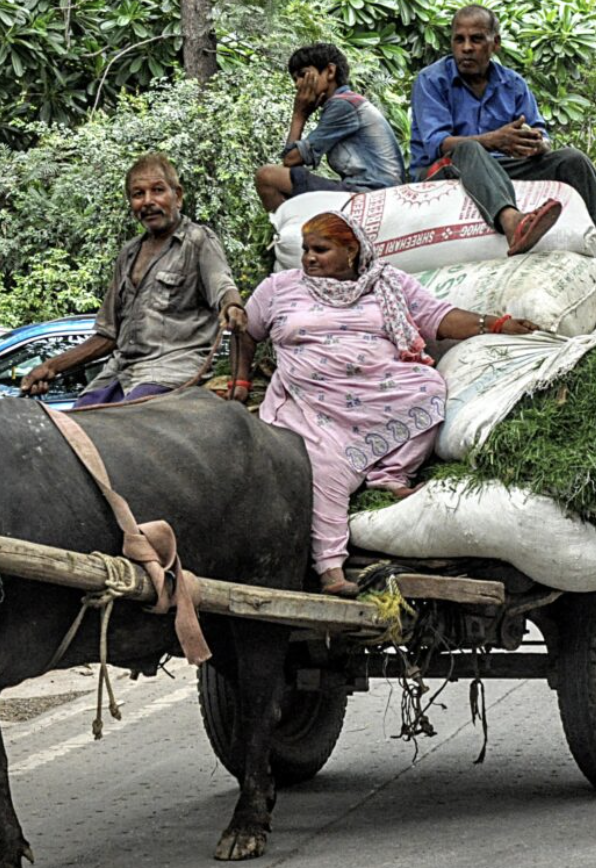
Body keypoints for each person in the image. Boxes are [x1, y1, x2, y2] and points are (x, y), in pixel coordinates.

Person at [223, 211, 537, 597]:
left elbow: (437, 317)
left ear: (351, 251)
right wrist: (239, 380)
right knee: (323, 468)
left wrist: (497, 324)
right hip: (310, 401)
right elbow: (246, 332)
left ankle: (389, 473)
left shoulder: (387, 283)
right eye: (305, 250)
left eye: (320, 249)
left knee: (428, 388)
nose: (308, 258)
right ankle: (331, 569)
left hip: (380, 393)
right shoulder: (278, 288)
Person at [20, 152, 242, 405]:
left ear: (177, 196)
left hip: (171, 372)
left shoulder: (198, 241)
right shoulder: (129, 254)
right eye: (138, 194)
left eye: (158, 190)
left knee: (124, 425)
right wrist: (51, 367)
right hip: (120, 373)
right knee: (77, 422)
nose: (148, 201)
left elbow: (222, 285)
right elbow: (108, 334)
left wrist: (232, 305)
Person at [410, 4, 596, 255]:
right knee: (469, 148)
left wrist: (536, 144)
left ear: (495, 43)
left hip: (495, 167)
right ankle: (513, 223)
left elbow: (542, 135)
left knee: (572, 159)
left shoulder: (513, 84)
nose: (466, 47)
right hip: (440, 168)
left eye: (476, 39)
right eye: (459, 40)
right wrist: (494, 140)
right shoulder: (431, 80)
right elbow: (437, 144)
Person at [255, 43, 405, 214]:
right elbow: (290, 165)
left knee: (267, 176)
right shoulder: (345, 102)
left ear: (330, 72)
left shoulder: (343, 104)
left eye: (303, 75)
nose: (298, 85)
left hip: (371, 193)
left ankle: (288, 236)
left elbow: (291, 160)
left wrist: (299, 115)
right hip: (370, 191)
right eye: (295, 79)